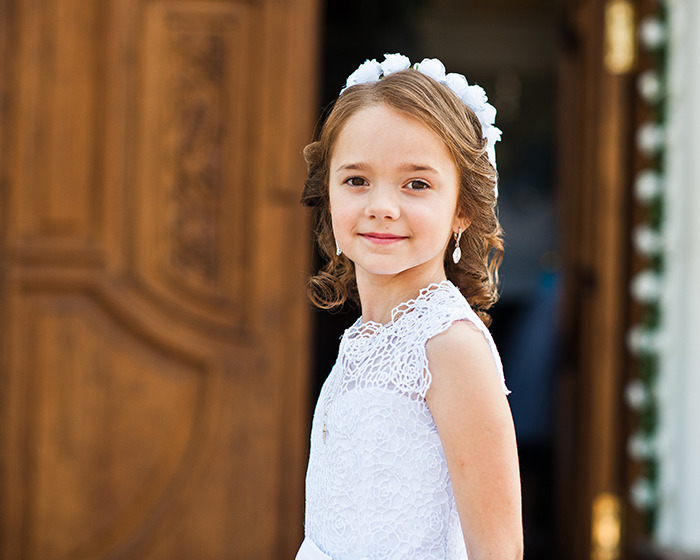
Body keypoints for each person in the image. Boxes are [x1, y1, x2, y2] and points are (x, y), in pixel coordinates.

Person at [296, 53, 523, 560]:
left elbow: (499, 549)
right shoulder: (366, 337)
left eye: (416, 183)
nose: (381, 205)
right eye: (356, 180)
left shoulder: (449, 345)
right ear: (328, 193)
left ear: (463, 207)